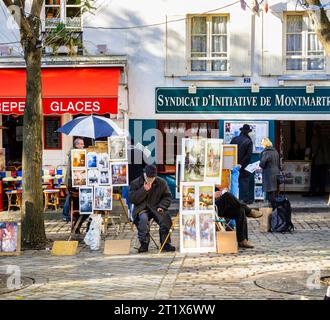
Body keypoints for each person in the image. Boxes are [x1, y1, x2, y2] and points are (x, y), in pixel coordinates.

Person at [128, 164, 175, 253]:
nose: (150, 180)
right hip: (142, 209)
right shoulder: (135, 183)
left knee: (165, 217)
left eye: (152, 178)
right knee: (143, 219)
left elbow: (167, 197)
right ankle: (144, 243)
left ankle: (165, 243)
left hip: (156, 207)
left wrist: (162, 206)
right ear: (144, 174)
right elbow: (132, 199)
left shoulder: (161, 182)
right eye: (148, 177)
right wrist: (143, 190)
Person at [63, 137, 90, 234]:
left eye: (83, 144)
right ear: (77, 145)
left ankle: (76, 226)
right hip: (75, 186)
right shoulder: (75, 155)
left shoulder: (75, 154)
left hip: (74, 186)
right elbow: (73, 173)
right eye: (82, 144)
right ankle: (77, 226)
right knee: (85, 207)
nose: (83, 146)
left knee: (80, 208)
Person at [230, 124, 253, 204]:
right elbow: (248, 155)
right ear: (248, 132)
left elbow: (230, 151)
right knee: (244, 182)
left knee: (233, 182)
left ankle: (233, 199)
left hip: (233, 164)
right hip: (243, 166)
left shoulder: (234, 139)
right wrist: (241, 164)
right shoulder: (248, 141)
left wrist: (234, 163)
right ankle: (245, 200)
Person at [259, 138, 280, 208]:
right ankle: (273, 206)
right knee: (273, 190)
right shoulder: (275, 151)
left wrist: (259, 164)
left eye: (262, 144)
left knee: (270, 191)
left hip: (269, 173)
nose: (262, 145)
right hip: (276, 172)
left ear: (264, 144)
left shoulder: (266, 152)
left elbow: (262, 163)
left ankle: (272, 206)